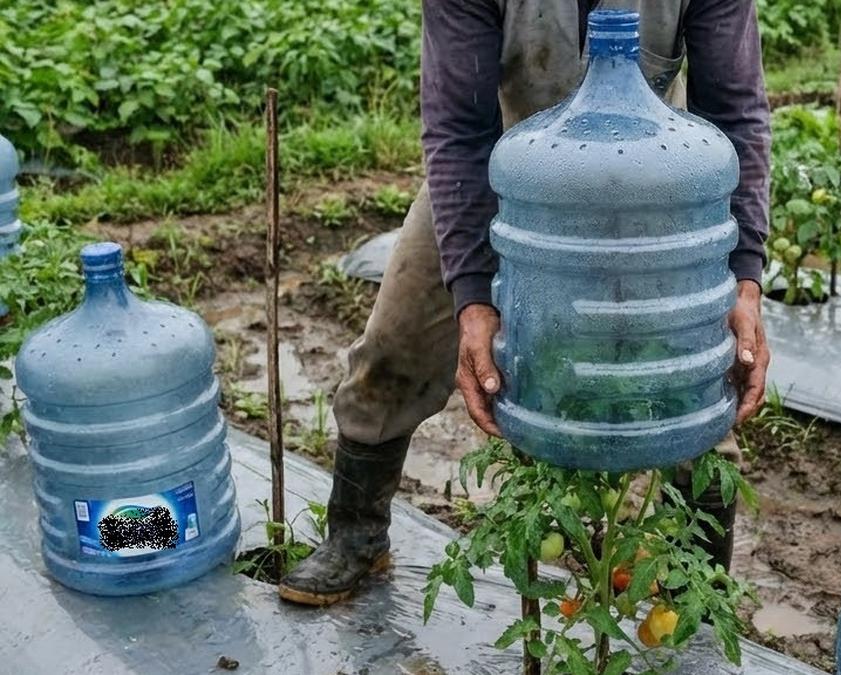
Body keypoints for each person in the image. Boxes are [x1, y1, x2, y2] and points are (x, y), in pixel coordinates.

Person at [278, 0, 771, 607]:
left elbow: (736, 114)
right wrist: (474, 298)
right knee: (393, 348)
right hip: (497, 165)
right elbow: (459, 128)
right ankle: (356, 535)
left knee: (691, 378)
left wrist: (743, 276)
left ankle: (694, 592)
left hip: (650, 173)